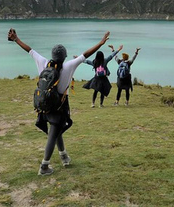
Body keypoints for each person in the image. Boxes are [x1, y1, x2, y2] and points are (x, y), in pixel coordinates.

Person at [8, 28, 110, 176]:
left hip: (44, 103)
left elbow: (29, 50)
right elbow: (86, 54)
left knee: (57, 130)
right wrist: (101, 42)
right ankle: (44, 167)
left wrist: (16, 39)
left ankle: (64, 156)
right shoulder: (68, 66)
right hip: (60, 105)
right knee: (54, 132)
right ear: (64, 57)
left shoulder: (43, 62)